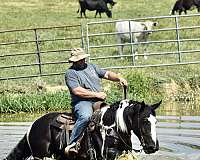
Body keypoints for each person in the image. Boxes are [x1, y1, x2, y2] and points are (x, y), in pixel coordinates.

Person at [64, 48, 128, 155]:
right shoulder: (71, 73)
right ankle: (73, 143)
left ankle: (117, 143)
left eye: (83, 59)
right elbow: (77, 91)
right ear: (74, 61)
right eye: (79, 60)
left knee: (112, 116)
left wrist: (118, 78)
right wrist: (97, 94)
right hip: (82, 102)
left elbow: (107, 74)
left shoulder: (92, 67)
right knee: (85, 116)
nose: (82, 61)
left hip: (98, 101)